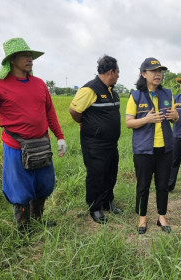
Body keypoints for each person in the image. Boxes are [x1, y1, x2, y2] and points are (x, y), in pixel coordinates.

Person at [0, 38, 67, 232]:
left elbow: (49, 112)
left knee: (44, 184)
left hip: (42, 144)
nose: (30, 59)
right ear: (11, 59)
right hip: (16, 147)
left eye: (31, 55)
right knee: (20, 189)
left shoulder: (39, 84)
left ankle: (37, 218)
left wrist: (60, 136)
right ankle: (23, 228)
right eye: (24, 55)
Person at [125, 57, 179, 234]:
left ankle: (161, 217)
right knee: (143, 185)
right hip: (143, 149)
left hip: (165, 148)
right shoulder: (135, 96)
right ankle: (142, 218)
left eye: (160, 71)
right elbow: (128, 123)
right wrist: (146, 119)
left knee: (162, 185)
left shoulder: (167, 94)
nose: (158, 74)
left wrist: (174, 116)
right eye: (154, 71)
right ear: (143, 73)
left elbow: (175, 117)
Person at [69, 55, 122, 224]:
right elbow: (74, 111)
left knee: (110, 173)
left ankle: (107, 202)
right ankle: (95, 207)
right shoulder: (89, 90)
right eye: (118, 72)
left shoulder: (112, 91)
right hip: (94, 144)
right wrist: (85, 124)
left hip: (111, 143)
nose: (119, 76)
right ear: (111, 72)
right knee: (96, 175)